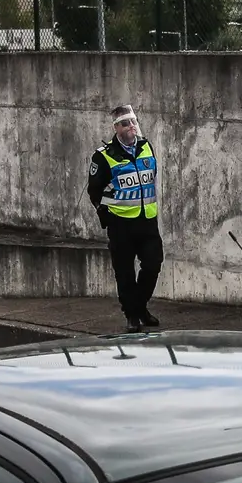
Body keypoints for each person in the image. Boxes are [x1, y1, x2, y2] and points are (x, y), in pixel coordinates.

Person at [88, 104, 163, 330]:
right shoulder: (104, 156)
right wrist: (107, 216)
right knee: (125, 273)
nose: (131, 127)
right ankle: (131, 315)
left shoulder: (146, 146)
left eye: (133, 122)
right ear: (116, 128)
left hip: (147, 219)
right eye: (125, 123)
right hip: (121, 223)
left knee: (153, 265)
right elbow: (95, 191)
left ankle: (139, 306)